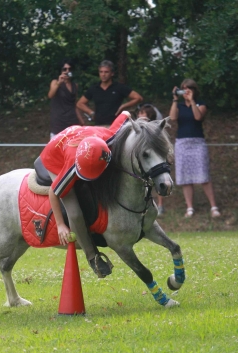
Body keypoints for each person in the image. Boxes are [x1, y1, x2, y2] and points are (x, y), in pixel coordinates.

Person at [39, 112, 130, 277]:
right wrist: (60, 225)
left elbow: (125, 115)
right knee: (74, 211)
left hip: (81, 135)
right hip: (54, 155)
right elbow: (54, 192)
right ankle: (92, 256)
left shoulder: (109, 136)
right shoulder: (70, 167)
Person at [168, 79, 220, 218]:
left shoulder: (200, 104)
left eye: (188, 89)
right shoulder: (178, 105)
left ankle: (213, 207)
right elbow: (172, 118)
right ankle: (189, 207)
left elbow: (198, 117)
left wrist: (192, 101)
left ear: (194, 90)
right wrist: (174, 99)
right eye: (183, 89)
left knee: (204, 175)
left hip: (197, 142)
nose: (185, 91)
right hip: (182, 143)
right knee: (185, 177)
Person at [76, 60, 143, 126]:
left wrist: (123, 106)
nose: (103, 74)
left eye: (106, 72)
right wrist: (91, 113)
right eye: (101, 72)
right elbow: (80, 103)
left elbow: (138, 98)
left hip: (116, 125)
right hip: (99, 125)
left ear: (112, 73)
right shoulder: (94, 88)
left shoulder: (119, 87)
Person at [137, 104, 166, 216]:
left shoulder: (156, 129)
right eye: (139, 113)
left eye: (142, 113)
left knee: (159, 182)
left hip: (155, 162)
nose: (139, 115)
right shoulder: (137, 129)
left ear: (149, 115)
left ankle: (160, 205)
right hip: (143, 162)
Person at [48, 59, 85, 139]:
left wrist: (81, 120)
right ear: (61, 70)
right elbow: (50, 95)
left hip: (72, 120)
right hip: (59, 121)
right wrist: (59, 83)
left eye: (69, 69)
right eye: (64, 69)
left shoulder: (75, 85)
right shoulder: (55, 82)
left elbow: (74, 104)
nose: (67, 71)